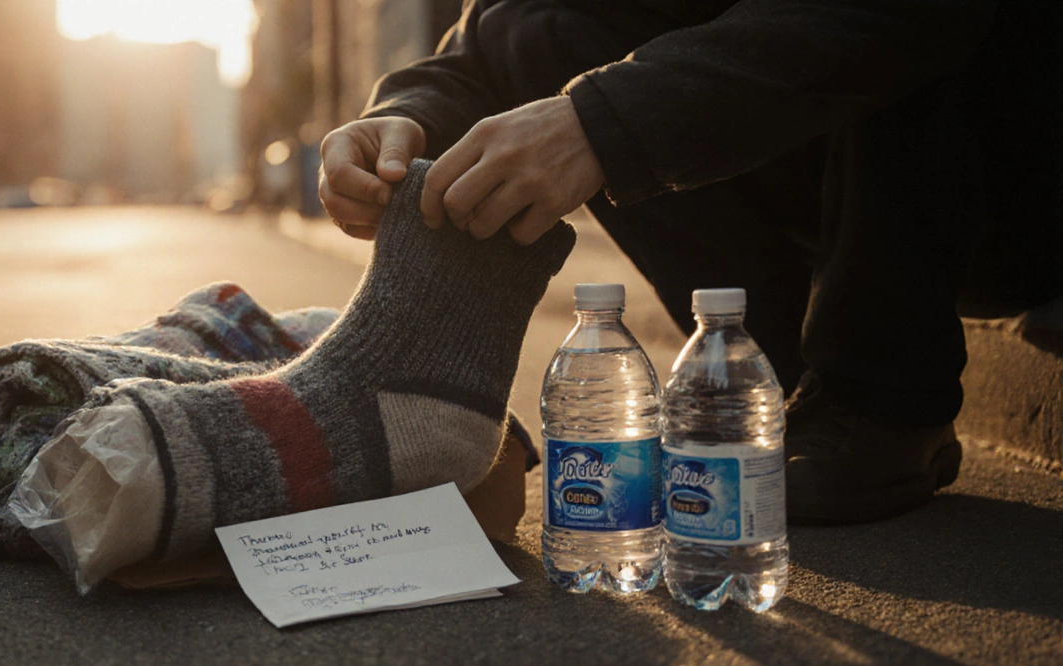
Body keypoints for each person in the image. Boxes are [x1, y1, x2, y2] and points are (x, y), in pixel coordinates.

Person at [318, 0, 1063, 524]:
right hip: (843, 169)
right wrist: (406, 118)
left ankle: (884, 402)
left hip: (1012, 164)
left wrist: (603, 122)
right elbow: (490, 37)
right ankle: (782, 385)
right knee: (537, 24)